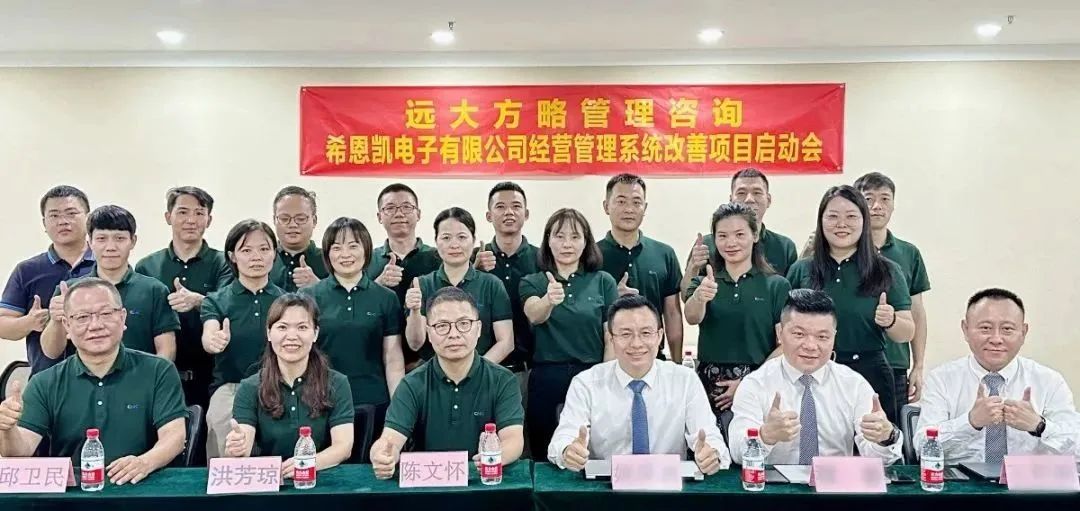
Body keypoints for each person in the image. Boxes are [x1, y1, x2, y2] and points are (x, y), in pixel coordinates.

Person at [0, 278, 186, 484]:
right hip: (72, 493)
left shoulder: (159, 370)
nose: (95, 325)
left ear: (123, 317)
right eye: (82, 317)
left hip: (143, 485)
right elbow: (19, 451)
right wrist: (7, 429)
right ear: (67, 325)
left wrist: (145, 462)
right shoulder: (44, 382)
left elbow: (174, 436)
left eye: (106, 314)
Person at [548, 295, 729, 474]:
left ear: (659, 337)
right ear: (611, 339)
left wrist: (711, 454)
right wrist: (568, 451)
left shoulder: (685, 380)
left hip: (668, 483)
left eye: (646, 333)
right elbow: (563, 438)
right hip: (605, 484)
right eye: (625, 334)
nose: (636, 343)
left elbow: (710, 438)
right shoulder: (586, 383)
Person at [785, 186, 914, 424]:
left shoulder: (886, 270)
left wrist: (891, 320)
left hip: (869, 373)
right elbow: (783, 326)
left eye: (851, 216)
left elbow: (907, 332)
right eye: (833, 216)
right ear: (821, 221)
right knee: (814, 440)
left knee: (874, 441)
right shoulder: (802, 269)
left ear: (864, 221)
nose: (841, 224)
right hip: (812, 371)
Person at [729, 289, 902, 465]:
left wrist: (886, 437)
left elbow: (880, 459)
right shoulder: (756, 384)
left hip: (835, 481)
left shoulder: (853, 384)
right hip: (772, 482)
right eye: (799, 334)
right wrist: (766, 436)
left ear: (834, 337)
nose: (811, 346)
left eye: (822, 336)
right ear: (780, 333)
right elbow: (737, 453)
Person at [370, 287, 524, 479]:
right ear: (429, 332)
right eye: (442, 326)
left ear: (478, 328)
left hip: (483, 480)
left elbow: (513, 439)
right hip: (429, 483)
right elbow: (389, 439)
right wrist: (381, 455)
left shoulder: (503, 380)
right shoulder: (412, 384)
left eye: (464, 324)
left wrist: (494, 457)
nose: (454, 334)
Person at [915, 289, 1080, 464]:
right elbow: (921, 446)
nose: (996, 339)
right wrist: (970, 423)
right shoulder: (941, 379)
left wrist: (1039, 425)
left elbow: (1077, 448)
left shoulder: (1049, 381)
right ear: (965, 329)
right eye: (985, 328)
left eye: (1007, 329)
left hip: (1028, 479)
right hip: (959, 480)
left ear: (1023, 332)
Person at [519, 208, 618, 458]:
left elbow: (611, 336)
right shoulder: (533, 281)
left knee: (590, 448)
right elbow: (533, 314)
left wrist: (606, 379)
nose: (567, 244)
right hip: (546, 375)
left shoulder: (603, 281)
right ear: (548, 240)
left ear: (586, 242)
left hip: (591, 373)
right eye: (559, 236)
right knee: (544, 449)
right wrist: (548, 300)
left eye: (575, 237)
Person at [225, 293, 354, 476]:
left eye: (302, 327)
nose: (292, 336)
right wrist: (237, 448)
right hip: (271, 480)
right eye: (282, 327)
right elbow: (243, 444)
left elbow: (343, 446)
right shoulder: (250, 387)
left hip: (323, 478)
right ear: (269, 333)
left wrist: (306, 463)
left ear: (315, 333)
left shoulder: (337, 383)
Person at [684, 203, 791, 418]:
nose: (731, 243)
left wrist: (749, 382)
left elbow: (786, 343)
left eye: (740, 234)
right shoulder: (705, 281)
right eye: (722, 236)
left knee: (754, 437)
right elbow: (692, 317)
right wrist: (699, 297)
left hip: (759, 380)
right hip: (710, 383)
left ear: (755, 235)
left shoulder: (776, 285)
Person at [300, 217, 404, 434]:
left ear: (366, 249)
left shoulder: (385, 298)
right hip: (321, 401)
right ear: (327, 254)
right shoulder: (309, 296)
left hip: (373, 400)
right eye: (336, 248)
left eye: (353, 246)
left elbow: (393, 357)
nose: (345, 254)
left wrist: (398, 406)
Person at [135, 187, 233, 412]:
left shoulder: (224, 263)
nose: (191, 220)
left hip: (213, 377)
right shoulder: (147, 266)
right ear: (168, 217)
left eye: (199, 213)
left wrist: (199, 301)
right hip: (160, 374)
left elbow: (230, 308)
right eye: (183, 212)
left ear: (209, 220)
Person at [42, 205, 179, 361]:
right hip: (82, 376)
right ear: (90, 242)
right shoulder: (69, 290)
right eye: (101, 239)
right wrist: (56, 320)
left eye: (119, 238)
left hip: (141, 376)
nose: (110, 247)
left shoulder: (154, 290)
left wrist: (152, 376)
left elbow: (166, 350)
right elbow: (51, 352)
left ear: (133, 241)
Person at [201, 220, 287, 459]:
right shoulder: (216, 300)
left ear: (274, 253)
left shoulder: (288, 301)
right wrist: (214, 340)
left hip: (280, 388)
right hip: (231, 389)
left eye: (264, 249)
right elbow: (209, 332)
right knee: (227, 462)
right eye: (246, 250)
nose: (256, 257)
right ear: (232, 256)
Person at [853, 172, 931, 410]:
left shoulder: (908, 253)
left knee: (890, 429)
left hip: (895, 362)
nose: (877, 206)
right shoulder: (842, 251)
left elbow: (917, 312)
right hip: (849, 361)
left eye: (885, 199)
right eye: (868, 199)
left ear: (893, 205)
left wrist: (918, 365)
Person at [0, 186, 96, 375]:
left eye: (71, 213)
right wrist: (29, 322)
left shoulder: (106, 265)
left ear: (88, 218)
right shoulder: (27, 270)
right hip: (47, 379)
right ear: (44, 223)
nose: (63, 221)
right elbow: (3, 324)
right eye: (54, 215)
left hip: (103, 379)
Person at [405, 207, 513, 364]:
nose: (454, 245)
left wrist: (476, 371)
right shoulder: (421, 285)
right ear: (436, 241)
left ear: (473, 240)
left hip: (481, 372)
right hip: (434, 375)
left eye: (462, 237)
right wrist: (415, 311)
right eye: (446, 238)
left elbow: (506, 342)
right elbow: (415, 344)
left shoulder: (492, 284)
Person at [597, 174, 684, 362]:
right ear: (606, 206)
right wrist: (611, 297)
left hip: (653, 358)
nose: (629, 209)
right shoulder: (591, 256)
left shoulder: (664, 254)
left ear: (645, 208)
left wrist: (676, 363)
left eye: (636, 202)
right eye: (621, 201)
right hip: (605, 360)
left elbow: (672, 313)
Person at [681, 168, 797, 296]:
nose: (749, 199)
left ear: (768, 200)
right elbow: (686, 296)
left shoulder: (785, 246)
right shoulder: (707, 243)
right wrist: (693, 266)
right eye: (741, 193)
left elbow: (793, 296)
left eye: (757, 192)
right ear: (731, 199)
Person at [364, 183, 441, 368]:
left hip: (431, 361)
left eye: (406, 207)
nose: (399, 214)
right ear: (379, 216)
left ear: (418, 214)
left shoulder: (438, 257)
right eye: (390, 208)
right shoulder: (366, 260)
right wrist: (378, 284)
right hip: (378, 361)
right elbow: (356, 306)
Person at [476, 182, 537, 408]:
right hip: (483, 369)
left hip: (529, 370)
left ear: (526, 214)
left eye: (516, 206)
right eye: (500, 207)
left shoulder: (542, 259)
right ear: (489, 215)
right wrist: (474, 271)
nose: (509, 212)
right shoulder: (475, 259)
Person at [269, 186, 329, 292]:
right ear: (274, 220)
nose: (292, 224)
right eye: (284, 219)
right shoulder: (263, 260)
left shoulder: (330, 260)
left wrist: (318, 287)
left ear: (314, 221)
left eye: (300, 219)